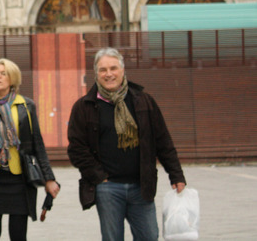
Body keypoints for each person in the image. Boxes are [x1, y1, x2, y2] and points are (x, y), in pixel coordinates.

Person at [67, 47, 187, 241]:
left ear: (123, 70)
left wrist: (176, 175)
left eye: (113, 68)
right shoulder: (84, 106)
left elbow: (163, 140)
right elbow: (76, 148)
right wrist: (99, 177)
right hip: (108, 188)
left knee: (149, 236)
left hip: (142, 186)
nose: (109, 74)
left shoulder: (143, 101)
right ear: (96, 73)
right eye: (103, 70)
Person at [0, 58, 60, 241]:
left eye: (3, 73)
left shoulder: (26, 105)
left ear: (13, 78)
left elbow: (37, 144)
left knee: (18, 234)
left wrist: (49, 178)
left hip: (19, 178)